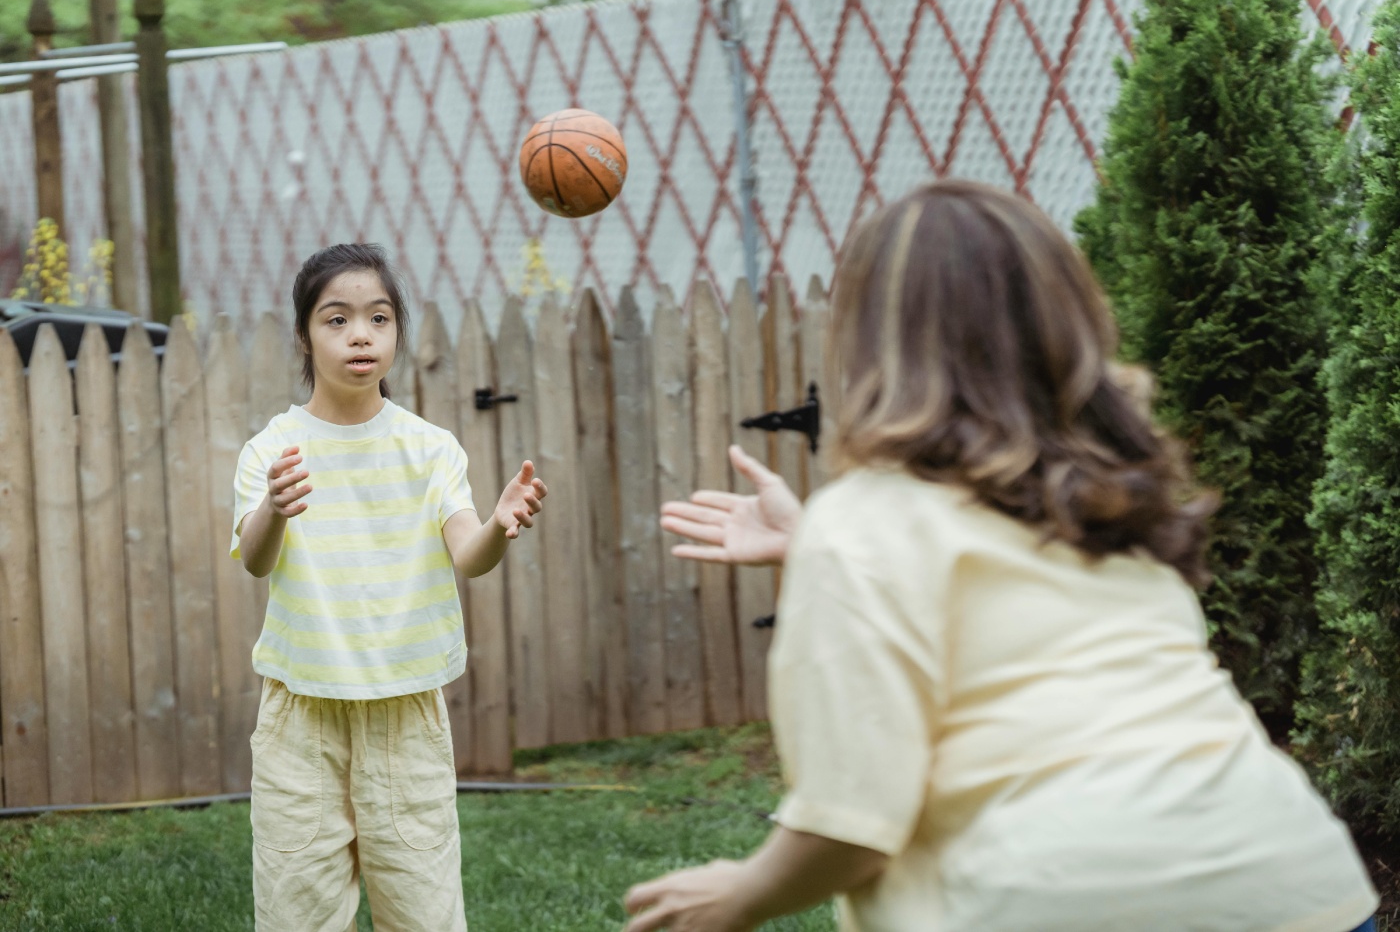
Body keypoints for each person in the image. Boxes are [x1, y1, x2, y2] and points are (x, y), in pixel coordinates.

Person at [624, 181, 1378, 932]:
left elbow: (849, 827)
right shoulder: (1107, 501)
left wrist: (740, 894)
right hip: (1298, 883)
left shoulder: (865, 525)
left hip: (1056, 898)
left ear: (871, 343)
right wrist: (816, 547)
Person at [230, 243, 547, 932]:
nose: (360, 334)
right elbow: (255, 559)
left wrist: (498, 522)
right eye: (336, 319)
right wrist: (274, 509)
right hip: (301, 716)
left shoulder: (431, 448)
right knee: (297, 913)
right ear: (305, 336)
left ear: (397, 331)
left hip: (406, 712)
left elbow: (469, 553)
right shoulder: (273, 447)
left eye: (378, 317)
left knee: (423, 912)